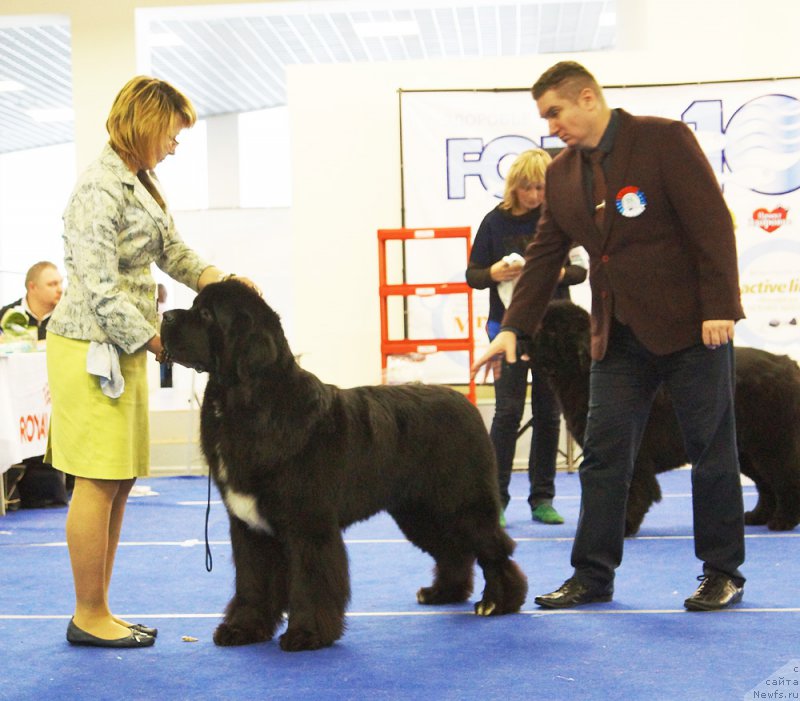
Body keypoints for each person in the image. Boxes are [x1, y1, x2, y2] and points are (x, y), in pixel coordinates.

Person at [471, 61, 746, 612]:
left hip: (692, 329)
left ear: (588, 98)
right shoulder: (564, 173)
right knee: (602, 458)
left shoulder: (663, 140)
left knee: (711, 453)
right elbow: (545, 255)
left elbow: (712, 225)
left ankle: (722, 572)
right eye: (544, 116)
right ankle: (592, 576)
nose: (550, 126)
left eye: (556, 111)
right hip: (615, 338)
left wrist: (720, 306)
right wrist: (514, 330)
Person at [45, 75, 260, 648]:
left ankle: (99, 609)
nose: (175, 144)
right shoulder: (99, 188)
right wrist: (164, 345)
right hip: (91, 350)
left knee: (117, 482)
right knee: (97, 480)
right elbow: (98, 287)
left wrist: (224, 280)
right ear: (146, 123)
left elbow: (173, 252)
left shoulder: (141, 182)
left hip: (123, 348)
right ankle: (88, 615)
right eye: (172, 133)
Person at [466, 149, 586, 527]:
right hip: (504, 330)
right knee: (506, 412)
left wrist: (552, 273)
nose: (534, 195)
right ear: (513, 186)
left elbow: (580, 271)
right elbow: (472, 274)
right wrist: (494, 273)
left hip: (553, 335)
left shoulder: (559, 220)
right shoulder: (493, 223)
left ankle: (542, 498)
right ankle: (495, 500)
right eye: (528, 187)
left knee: (549, 413)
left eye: (541, 187)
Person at [0, 261, 63, 340]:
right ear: (32, 287)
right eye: (52, 284)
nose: (60, 289)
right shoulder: (5, 315)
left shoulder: (69, 316)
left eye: (61, 283)